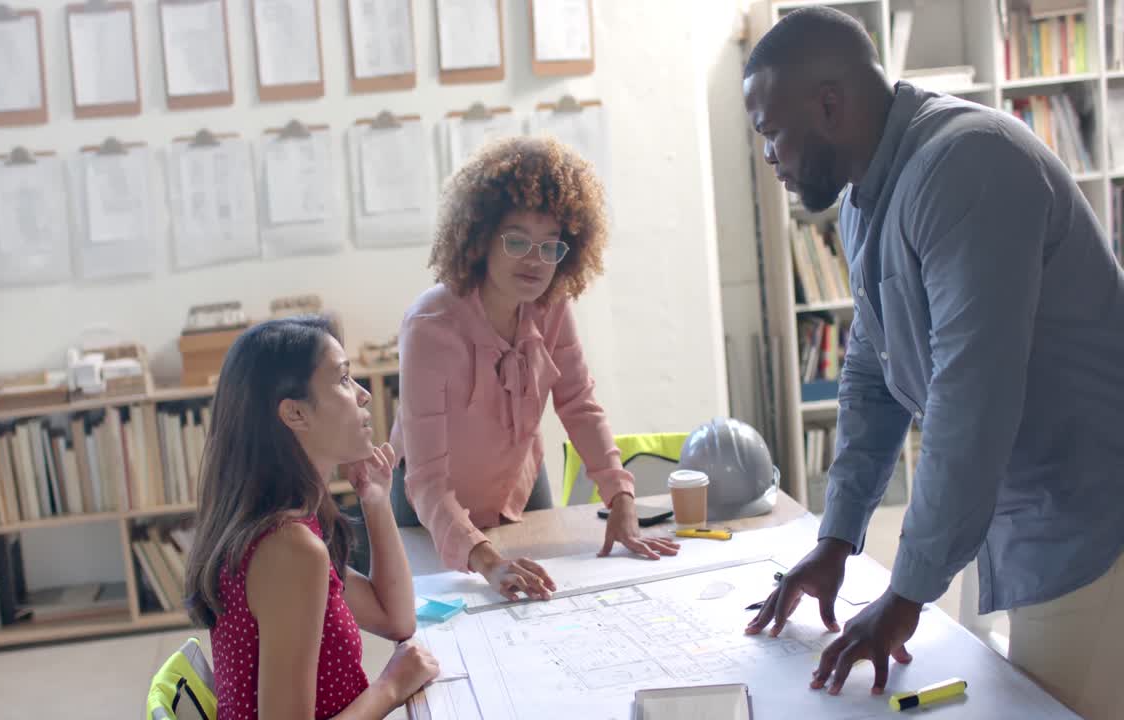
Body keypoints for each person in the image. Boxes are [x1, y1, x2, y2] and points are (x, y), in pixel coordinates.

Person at [741, 7, 1124, 718]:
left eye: (769, 131)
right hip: (1009, 513)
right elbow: (870, 376)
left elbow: (969, 400)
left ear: (829, 103)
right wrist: (838, 538)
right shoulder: (865, 197)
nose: (767, 157)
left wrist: (907, 591)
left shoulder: (968, 163)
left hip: (1090, 517)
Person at [388, 136, 680, 601]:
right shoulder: (429, 327)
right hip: (429, 508)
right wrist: (486, 560)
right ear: (481, 238)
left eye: (550, 246)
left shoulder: (551, 305)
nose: (535, 260)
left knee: (545, 612)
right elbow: (425, 480)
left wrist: (621, 497)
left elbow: (578, 404)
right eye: (518, 240)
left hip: (517, 487)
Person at [183, 317, 439, 720]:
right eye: (343, 379)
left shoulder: (297, 520)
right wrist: (390, 687)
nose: (364, 395)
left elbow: (397, 619)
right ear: (295, 414)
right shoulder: (288, 548)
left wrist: (375, 499)